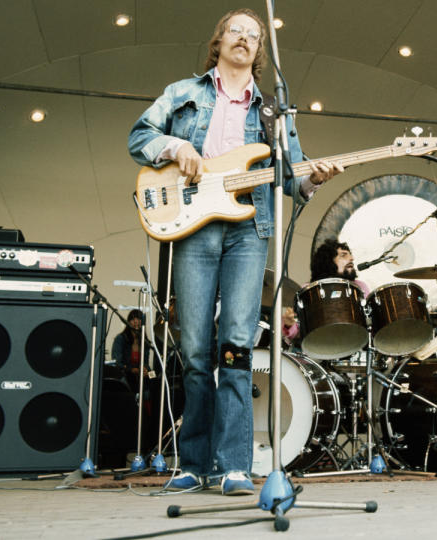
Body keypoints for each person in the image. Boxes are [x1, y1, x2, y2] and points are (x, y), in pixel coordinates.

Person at [128, 8, 342, 495]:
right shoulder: (184, 93)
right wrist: (173, 149)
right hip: (194, 227)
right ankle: (194, 462)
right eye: (236, 31)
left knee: (237, 345)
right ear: (219, 40)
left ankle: (233, 466)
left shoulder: (272, 110)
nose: (244, 38)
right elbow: (139, 136)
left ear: (260, 51)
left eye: (254, 34)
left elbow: (290, 174)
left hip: (250, 230)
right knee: (196, 349)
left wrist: (312, 177)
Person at [281, 239, 369, 339]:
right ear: (328, 261)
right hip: (318, 346)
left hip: (355, 344)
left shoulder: (360, 287)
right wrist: (289, 324)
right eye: (343, 255)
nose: (351, 258)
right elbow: (295, 331)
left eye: (350, 255)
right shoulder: (308, 289)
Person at [111, 310, 144, 390]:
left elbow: (145, 362)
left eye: (138, 319)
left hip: (138, 377)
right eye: (132, 319)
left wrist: (145, 369)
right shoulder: (120, 338)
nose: (136, 322)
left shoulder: (144, 341)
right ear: (128, 322)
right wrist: (131, 370)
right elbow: (117, 362)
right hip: (124, 375)